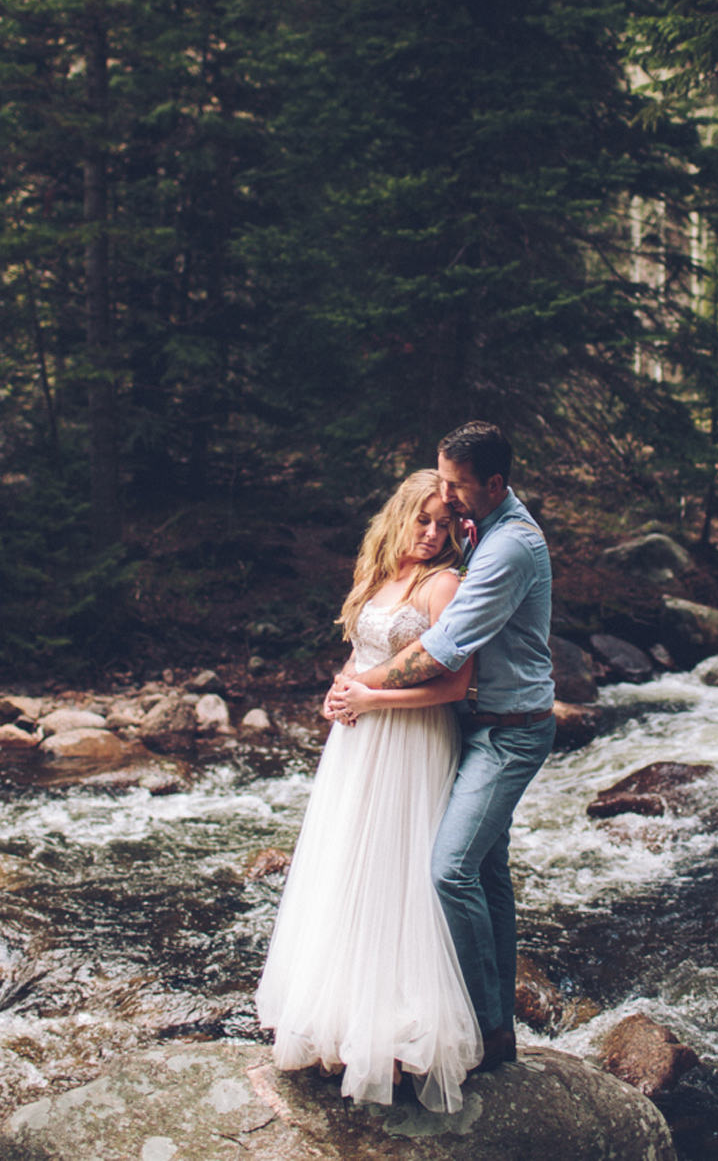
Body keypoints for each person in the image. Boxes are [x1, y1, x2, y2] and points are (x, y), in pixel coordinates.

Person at [254, 469, 483, 1113]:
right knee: (346, 865)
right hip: (356, 745)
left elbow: (455, 686)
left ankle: (398, 1030)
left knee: (396, 870)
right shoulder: (374, 577)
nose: (433, 535)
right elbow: (360, 655)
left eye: (444, 525)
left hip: (412, 739)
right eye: (423, 521)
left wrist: (373, 696)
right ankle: (339, 1017)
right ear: (400, 515)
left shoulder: (447, 585)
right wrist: (339, 689)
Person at [330, 421, 554, 1074]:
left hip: (508, 730)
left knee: (449, 869)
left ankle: (487, 1029)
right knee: (487, 874)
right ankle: (497, 1023)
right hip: (476, 724)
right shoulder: (479, 525)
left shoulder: (511, 545)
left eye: (455, 487)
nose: (447, 502)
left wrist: (359, 685)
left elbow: (441, 652)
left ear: (493, 484)